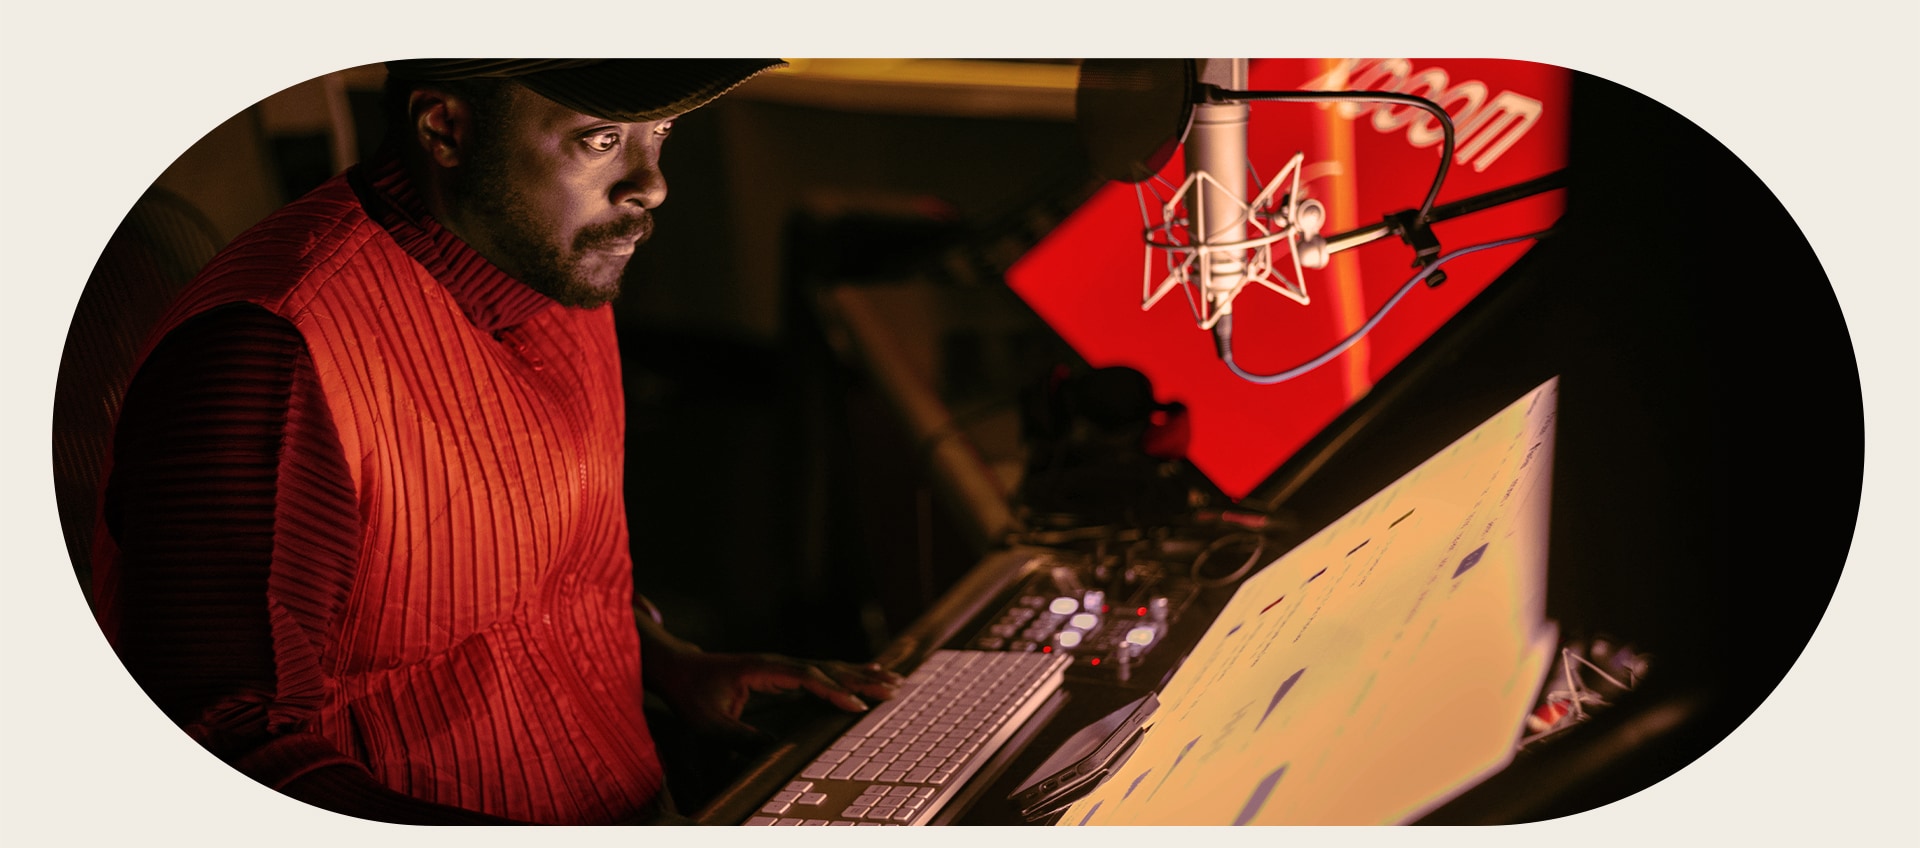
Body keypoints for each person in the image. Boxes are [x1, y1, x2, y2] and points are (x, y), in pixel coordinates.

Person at [89, 59, 901, 825]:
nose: (651, 184)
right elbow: (223, 738)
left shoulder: (555, 260)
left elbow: (529, 584)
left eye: (664, 133)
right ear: (445, 128)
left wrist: (667, 661)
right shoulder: (270, 357)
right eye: (603, 139)